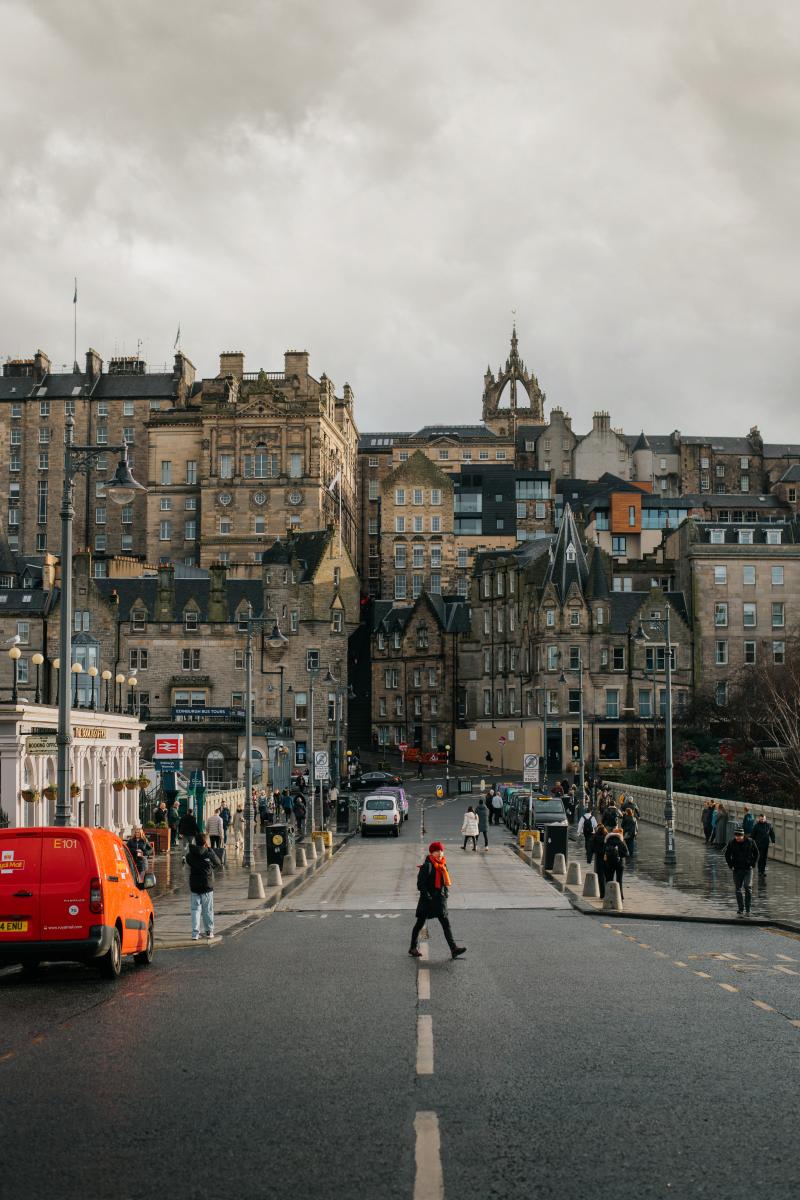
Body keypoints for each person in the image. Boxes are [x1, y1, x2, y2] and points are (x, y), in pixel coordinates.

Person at [409, 841, 466, 960]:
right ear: (432, 852)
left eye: (441, 851)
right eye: (436, 851)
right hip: (428, 901)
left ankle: (453, 949)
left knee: (446, 924)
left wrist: (446, 893)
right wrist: (427, 896)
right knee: (419, 924)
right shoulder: (427, 866)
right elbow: (420, 884)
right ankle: (413, 947)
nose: (439, 853)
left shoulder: (443, 864)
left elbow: (444, 882)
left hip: (439, 900)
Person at [185, 832, 223, 940]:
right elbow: (218, 862)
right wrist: (209, 850)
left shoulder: (190, 854)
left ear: (195, 842)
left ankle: (195, 933)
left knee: (195, 910)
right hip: (207, 885)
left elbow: (188, 860)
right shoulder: (208, 853)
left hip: (194, 885)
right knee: (207, 910)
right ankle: (209, 931)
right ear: (205, 842)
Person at [724, 825, 759, 915]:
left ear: (743, 835)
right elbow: (727, 855)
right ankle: (741, 908)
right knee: (738, 889)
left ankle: (748, 908)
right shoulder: (732, 842)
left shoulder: (750, 842)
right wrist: (731, 865)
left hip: (748, 869)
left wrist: (753, 864)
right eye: (736, 836)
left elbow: (756, 853)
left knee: (748, 887)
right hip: (737, 869)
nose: (737, 838)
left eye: (739, 836)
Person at [603, 825, 629, 900]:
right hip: (620, 863)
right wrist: (620, 855)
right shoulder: (621, 841)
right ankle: (620, 896)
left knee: (609, 878)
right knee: (619, 880)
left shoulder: (607, 840)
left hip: (610, 862)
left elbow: (603, 851)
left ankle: (608, 895)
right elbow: (627, 853)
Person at [591, 823, 608, 897]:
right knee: (607, 875)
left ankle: (602, 894)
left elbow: (592, 848)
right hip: (606, 858)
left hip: (599, 858)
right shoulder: (607, 837)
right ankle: (608, 892)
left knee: (600, 876)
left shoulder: (595, 837)